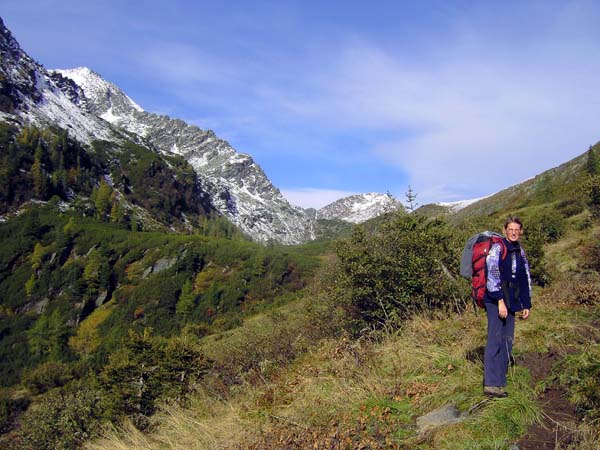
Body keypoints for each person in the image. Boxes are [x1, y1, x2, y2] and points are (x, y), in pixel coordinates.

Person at [483, 216, 532, 398]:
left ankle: (500, 381)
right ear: (505, 230)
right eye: (510, 229)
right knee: (495, 338)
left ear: (520, 231)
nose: (513, 232)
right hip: (495, 300)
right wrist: (499, 301)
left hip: (511, 301)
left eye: (517, 230)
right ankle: (491, 384)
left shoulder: (520, 251)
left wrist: (526, 304)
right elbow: (492, 275)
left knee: (507, 340)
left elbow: (524, 277)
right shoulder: (498, 248)